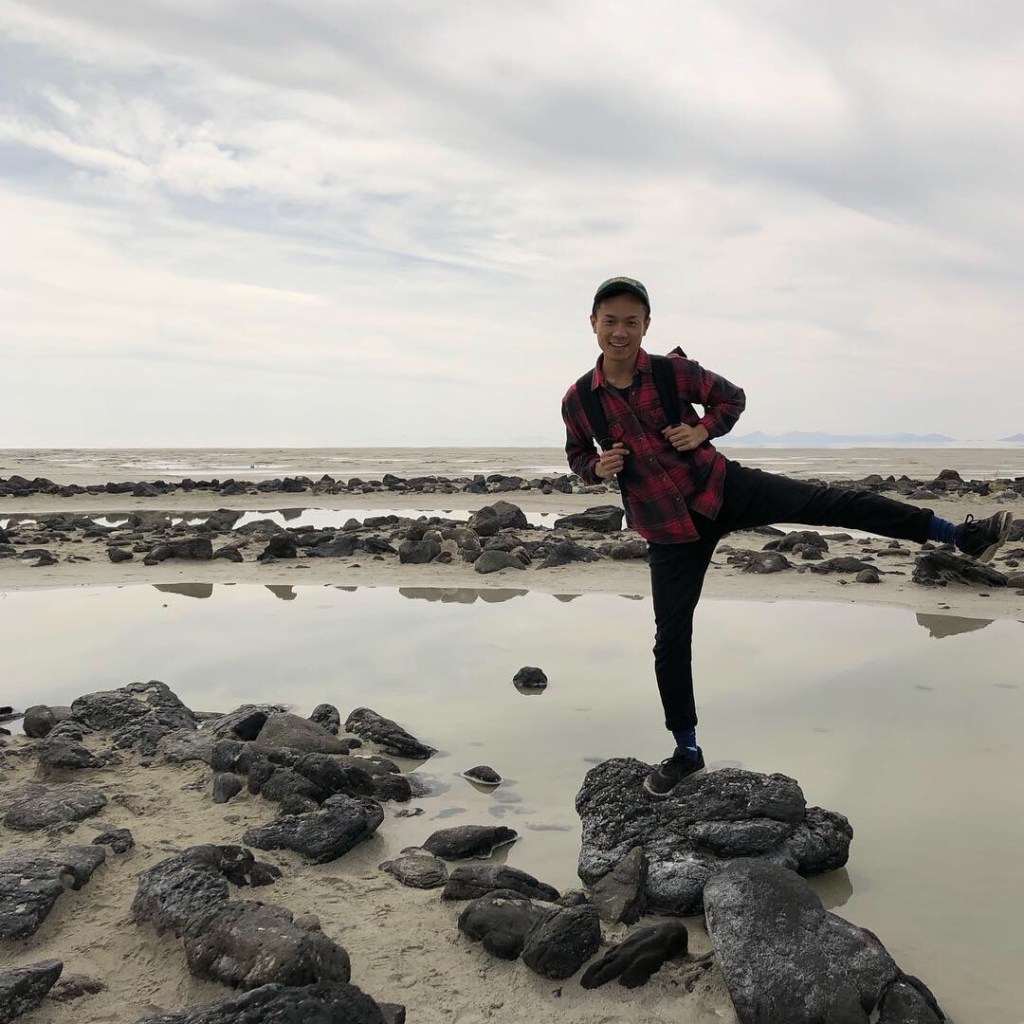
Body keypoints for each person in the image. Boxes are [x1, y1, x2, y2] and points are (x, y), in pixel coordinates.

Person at [561, 276, 1013, 799]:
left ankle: (960, 535)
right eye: (610, 320)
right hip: (667, 528)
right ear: (593, 323)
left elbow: (732, 398)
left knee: (833, 503)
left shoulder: (670, 372)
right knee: (671, 641)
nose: (621, 331)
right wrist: (598, 466)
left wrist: (703, 430)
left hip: (722, 488)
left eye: (631, 321)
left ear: (646, 326)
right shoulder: (579, 401)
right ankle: (687, 750)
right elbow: (577, 456)